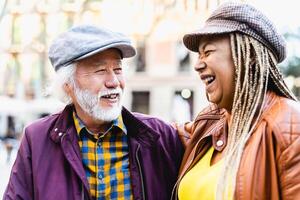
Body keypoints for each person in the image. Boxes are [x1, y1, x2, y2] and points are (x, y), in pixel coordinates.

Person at [3, 25, 184, 200]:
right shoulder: (37, 138)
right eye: (100, 71)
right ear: (68, 85)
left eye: (118, 69)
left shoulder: (161, 136)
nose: (114, 81)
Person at [172, 2, 300, 200]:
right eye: (198, 55)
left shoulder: (288, 124)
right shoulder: (209, 123)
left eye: (208, 52)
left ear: (249, 56)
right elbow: (156, 134)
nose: (197, 65)